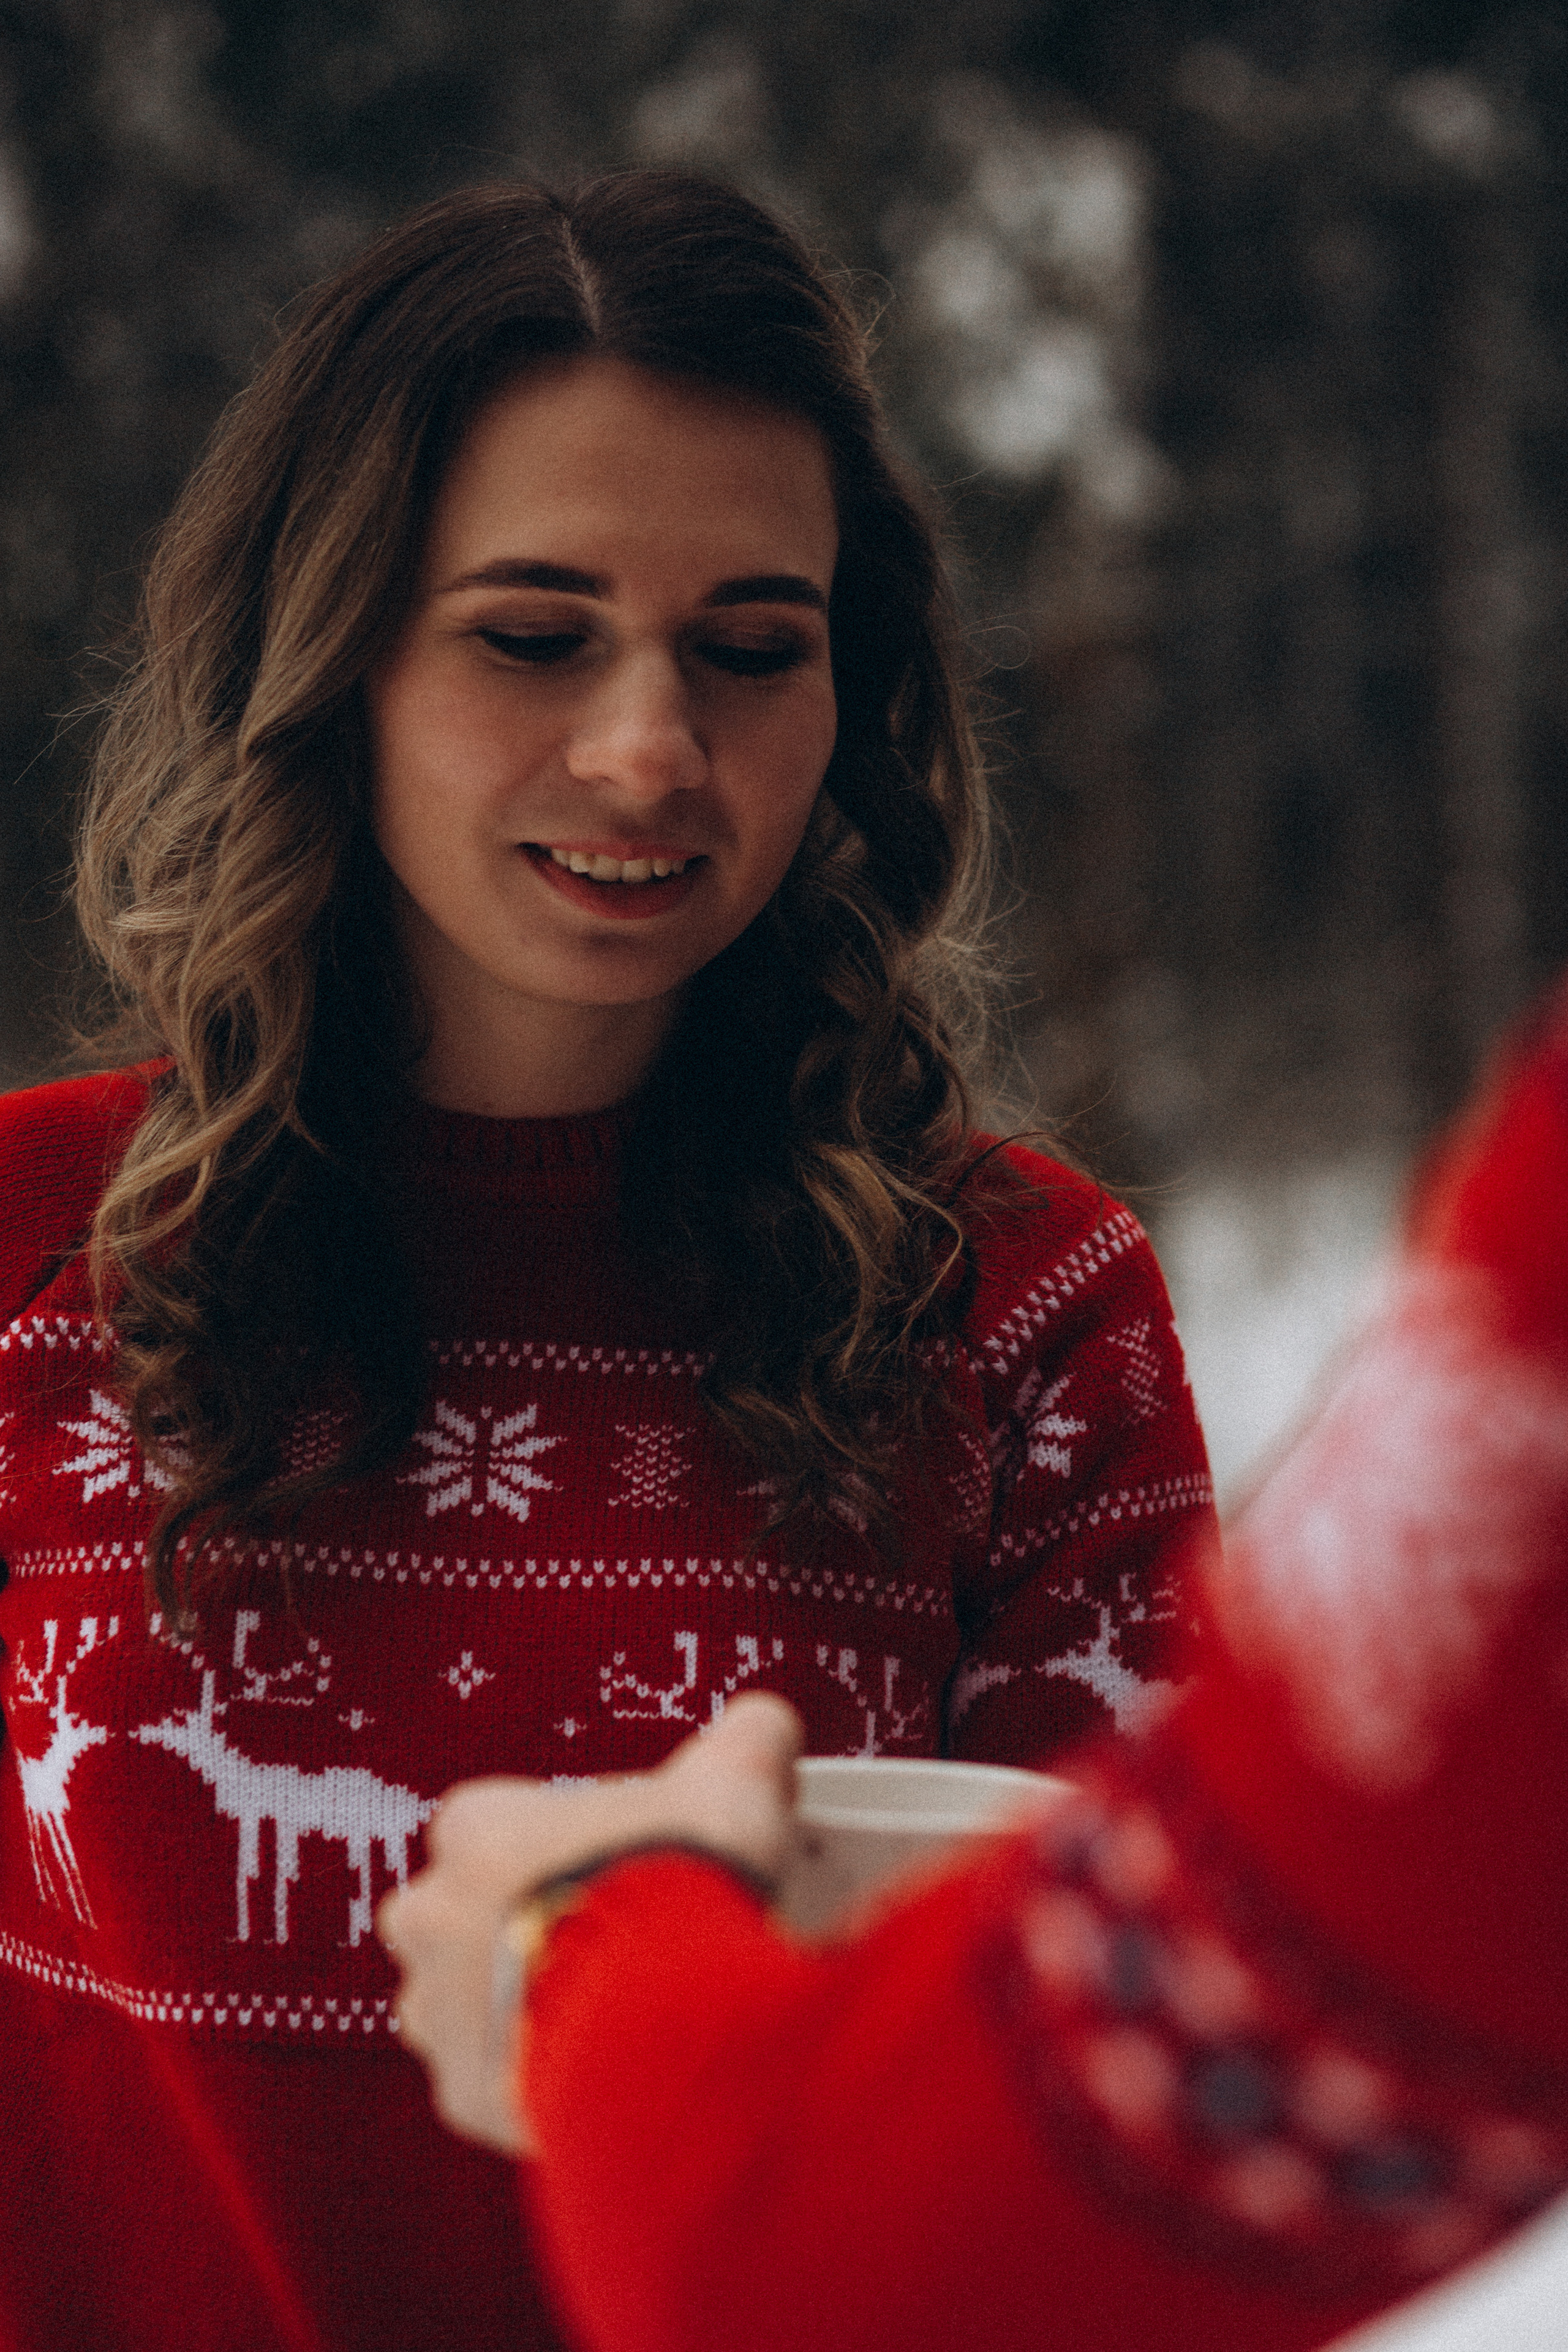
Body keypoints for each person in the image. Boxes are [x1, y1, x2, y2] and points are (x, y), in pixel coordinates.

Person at [0, 174, 1215, 2351]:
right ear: (332, 654)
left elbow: (1133, 2109)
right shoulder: (22, 1254)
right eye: (532, 635)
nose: (653, 750)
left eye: (753, 649)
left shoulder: (1025, 1303)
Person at [383, 976, 1568, 2352]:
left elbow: (804, 2251)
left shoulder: (1016, 1286)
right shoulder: (69, 1230)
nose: (641, 753)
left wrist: (572, 1937)